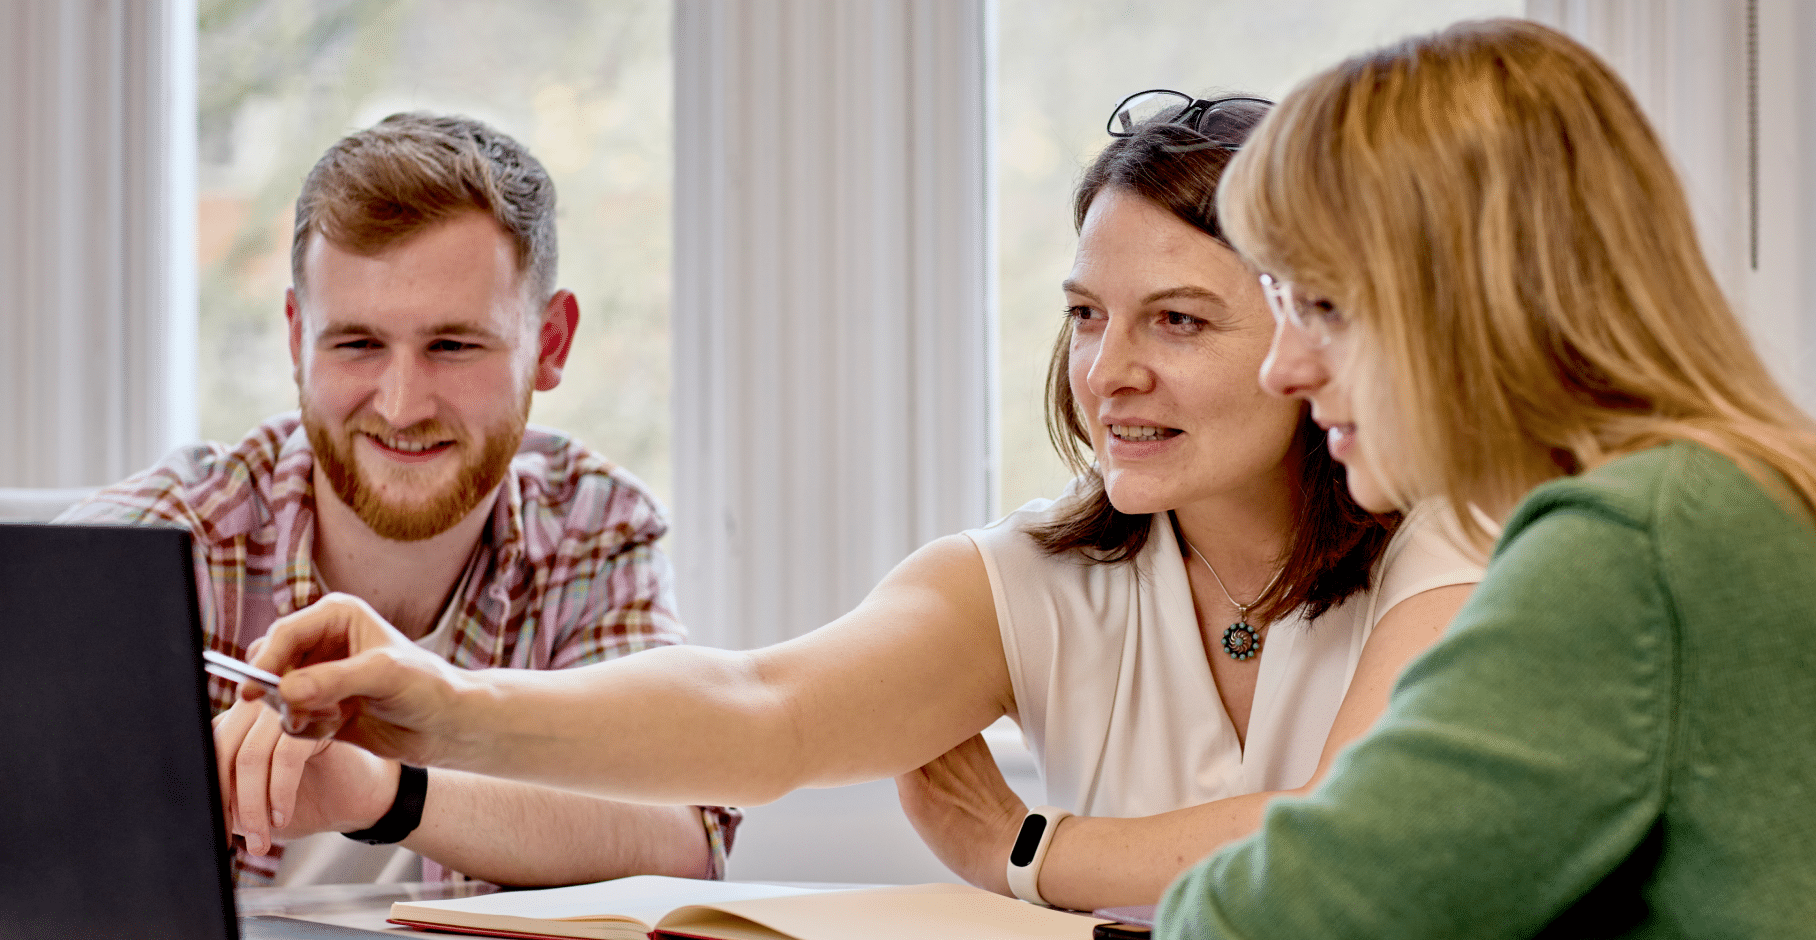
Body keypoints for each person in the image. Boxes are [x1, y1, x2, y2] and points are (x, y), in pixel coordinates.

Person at [237, 93, 1482, 912]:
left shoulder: (1453, 538)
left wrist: (1028, 850)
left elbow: (1342, 839)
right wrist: (441, 706)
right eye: (1087, 315)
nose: (1109, 372)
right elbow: (758, 707)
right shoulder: (1037, 578)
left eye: (1179, 320)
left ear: (1318, 327)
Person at [1150, 18, 1816, 937]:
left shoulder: (1636, 547)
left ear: (1467, 298)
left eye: (1322, 304)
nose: (1287, 368)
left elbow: (1266, 922)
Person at [59, 112, 734, 888]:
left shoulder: (593, 528)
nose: (403, 405)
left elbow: (684, 842)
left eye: (453, 346)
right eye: (357, 344)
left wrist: (386, 793)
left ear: (549, 344)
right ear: (294, 338)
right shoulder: (150, 551)